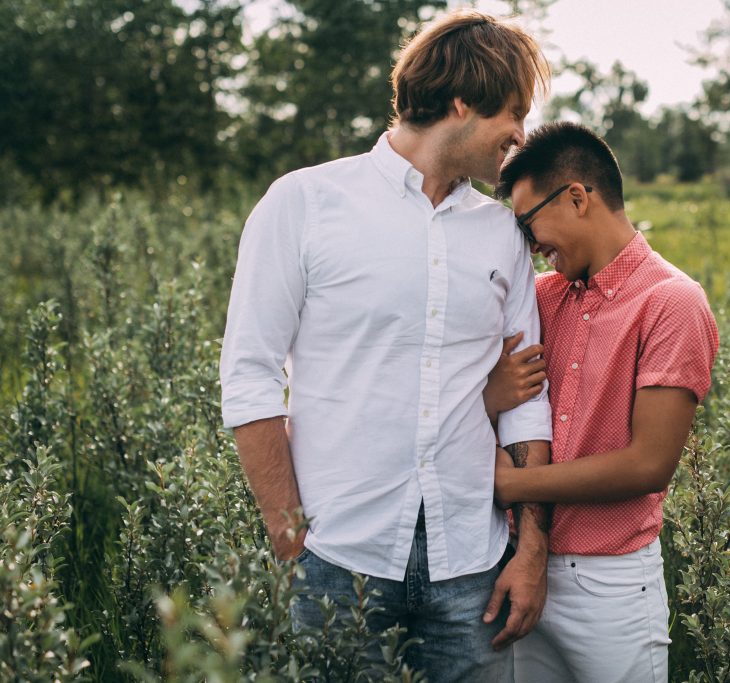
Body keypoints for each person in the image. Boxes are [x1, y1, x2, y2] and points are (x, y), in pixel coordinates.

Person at [218, 11, 553, 682]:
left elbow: (526, 400)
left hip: (473, 569)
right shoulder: (304, 203)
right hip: (339, 562)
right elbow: (249, 374)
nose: (521, 135)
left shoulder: (501, 234)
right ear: (462, 102)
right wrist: (290, 538)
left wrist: (532, 546)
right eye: (512, 112)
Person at [486, 121, 720, 682]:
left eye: (528, 222)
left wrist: (511, 485)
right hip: (519, 564)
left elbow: (648, 464)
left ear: (576, 197)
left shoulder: (672, 302)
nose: (529, 243)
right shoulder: (541, 295)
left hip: (610, 583)